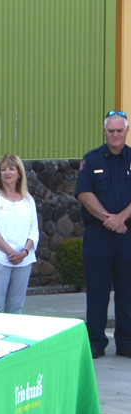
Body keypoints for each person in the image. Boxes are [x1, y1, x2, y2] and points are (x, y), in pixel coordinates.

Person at [75, 111, 131, 358]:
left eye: (119, 130)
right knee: (97, 289)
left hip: (127, 234)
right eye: (111, 130)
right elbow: (84, 193)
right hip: (98, 234)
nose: (115, 134)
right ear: (104, 131)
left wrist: (121, 218)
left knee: (128, 289)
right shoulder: (91, 159)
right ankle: (96, 341)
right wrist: (110, 220)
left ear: (126, 131)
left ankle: (126, 342)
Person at [0, 154, 39, 314]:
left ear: (19, 173)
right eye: (3, 169)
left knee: (16, 309)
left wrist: (24, 253)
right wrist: (10, 252)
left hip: (24, 262)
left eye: (12, 169)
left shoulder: (28, 199)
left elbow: (34, 231)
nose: (7, 172)